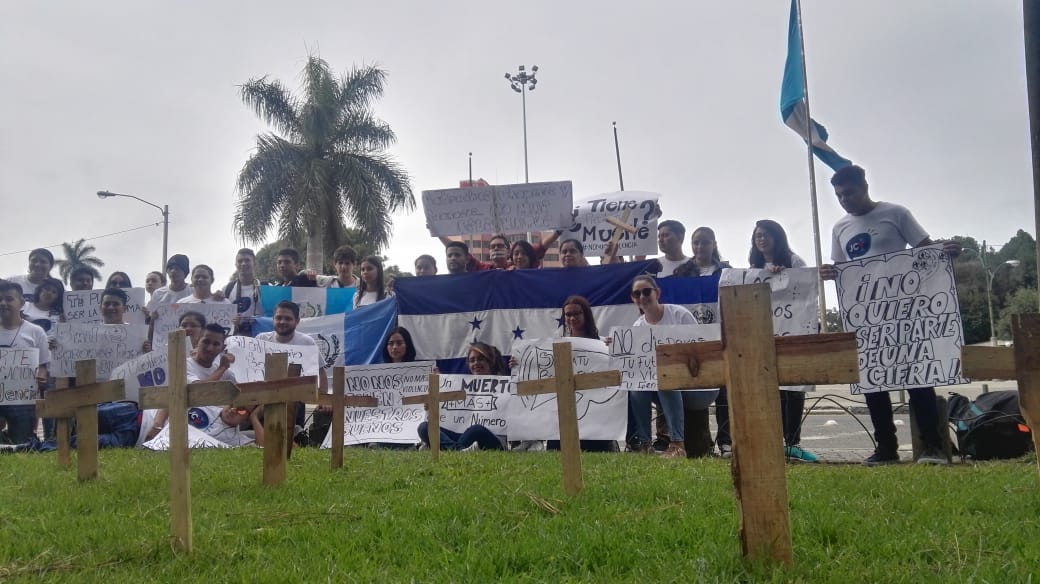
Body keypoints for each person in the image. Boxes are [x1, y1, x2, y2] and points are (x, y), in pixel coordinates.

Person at [820, 164, 958, 466]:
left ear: (864, 186)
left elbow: (925, 249)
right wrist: (830, 273)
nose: (845, 200)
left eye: (850, 193)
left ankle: (932, 446)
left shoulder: (896, 213)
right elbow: (843, 270)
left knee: (917, 378)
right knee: (874, 382)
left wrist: (946, 250)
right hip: (867, 318)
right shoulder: (839, 228)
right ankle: (886, 448)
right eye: (840, 196)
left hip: (904, 312)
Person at [747, 219, 818, 463]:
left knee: (793, 389)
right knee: (770, 390)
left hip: (792, 334)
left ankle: (793, 442)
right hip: (765, 336)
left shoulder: (794, 261)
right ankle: (773, 440)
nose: (761, 239)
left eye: (766, 234)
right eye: (757, 235)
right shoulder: (753, 268)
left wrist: (784, 276)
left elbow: (807, 293)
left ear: (778, 237)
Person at [672, 226, 734, 456]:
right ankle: (701, 443)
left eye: (705, 242)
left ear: (714, 244)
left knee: (725, 392)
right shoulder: (681, 273)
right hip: (693, 344)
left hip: (723, 340)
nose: (700, 247)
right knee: (696, 393)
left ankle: (726, 441)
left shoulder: (726, 272)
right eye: (696, 242)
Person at [626, 275, 702, 458]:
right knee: (637, 387)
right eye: (637, 294)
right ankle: (645, 444)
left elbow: (700, 348)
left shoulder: (680, 315)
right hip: (661, 385)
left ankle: (678, 444)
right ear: (633, 299)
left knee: (666, 378)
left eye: (646, 291)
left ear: (657, 292)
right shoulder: (637, 327)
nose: (642, 297)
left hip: (696, 382)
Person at [548, 296, 616, 453]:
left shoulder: (603, 343)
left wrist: (616, 349)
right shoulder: (556, 345)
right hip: (564, 411)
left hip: (596, 413)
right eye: (568, 314)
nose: (572, 318)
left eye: (577, 313)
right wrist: (519, 364)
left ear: (586, 314)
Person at [255, 300, 328, 442]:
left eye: (287, 318)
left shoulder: (306, 342)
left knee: (288, 435)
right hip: (262, 397)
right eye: (278, 318)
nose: (282, 321)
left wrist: (324, 399)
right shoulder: (261, 339)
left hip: (294, 400)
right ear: (273, 319)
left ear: (297, 321)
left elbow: (321, 372)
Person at [183, 323, 263, 447]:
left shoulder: (227, 373)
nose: (210, 348)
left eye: (216, 344)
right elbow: (198, 391)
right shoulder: (185, 365)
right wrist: (222, 368)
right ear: (198, 340)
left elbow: (247, 392)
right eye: (206, 342)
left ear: (222, 348)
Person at [417, 342, 507, 451]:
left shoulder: (505, 385)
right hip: (462, 435)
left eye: (480, 359)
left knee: (476, 430)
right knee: (424, 427)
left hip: (491, 437)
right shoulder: (460, 385)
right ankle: (459, 450)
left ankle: (442, 447)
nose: (476, 363)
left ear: (490, 361)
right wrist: (434, 397)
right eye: (472, 360)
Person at [0, 281, 51, 444]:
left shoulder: (36, 332)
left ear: (21, 303)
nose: (3, 303)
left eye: (9, 299)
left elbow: (43, 364)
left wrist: (41, 378)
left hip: (22, 400)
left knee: (22, 444)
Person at [223, 248, 261, 337]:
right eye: (240, 261)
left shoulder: (265, 287)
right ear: (235, 264)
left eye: (247, 260)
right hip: (235, 337)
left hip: (260, 337)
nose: (243, 264)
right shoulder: (227, 289)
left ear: (254, 263)